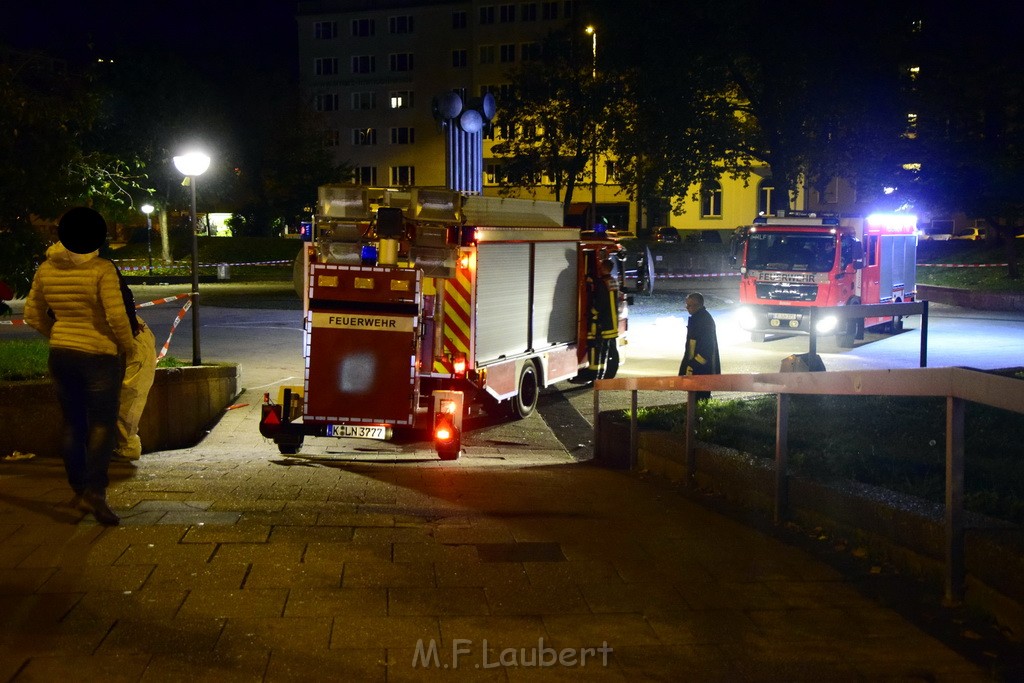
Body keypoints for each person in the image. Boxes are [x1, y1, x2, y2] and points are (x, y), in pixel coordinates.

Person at [24, 207, 136, 525]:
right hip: (100, 356)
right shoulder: (101, 269)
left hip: (62, 355)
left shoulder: (46, 269)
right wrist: (126, 347)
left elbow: (33, 314)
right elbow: (116, 316)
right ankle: (95, 492)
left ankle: (78, 486)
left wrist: (58, 335)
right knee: (102, 424)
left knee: (73, 424)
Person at [112, 269, 157, 462]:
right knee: (131, 391)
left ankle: (126, 445)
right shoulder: (102, 267)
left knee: (129, 392)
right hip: (131, 333)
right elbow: (123, 297)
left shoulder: (50, 270)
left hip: (129, 334)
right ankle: (127, 445)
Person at [570, 257, 619, 385]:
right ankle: (600, 377)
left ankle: (594, 378)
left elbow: (600, 303)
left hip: (603, 324)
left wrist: (592, 313)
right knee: (604, 353)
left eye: (600, 267)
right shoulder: (613, 281)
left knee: (596, 352)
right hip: (612, 325)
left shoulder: (603, 283)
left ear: (603, 268)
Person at [678, 292, 721, 401]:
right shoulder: (698, 318)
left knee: (700, 399)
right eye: (686, 305)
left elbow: (706, 350)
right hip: (697, 369)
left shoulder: (704, 320)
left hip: (702, 370)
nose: (687, 308)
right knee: (695, 399)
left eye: (689, 305)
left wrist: (692, 365)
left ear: (698, 305)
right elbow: (690, 348)